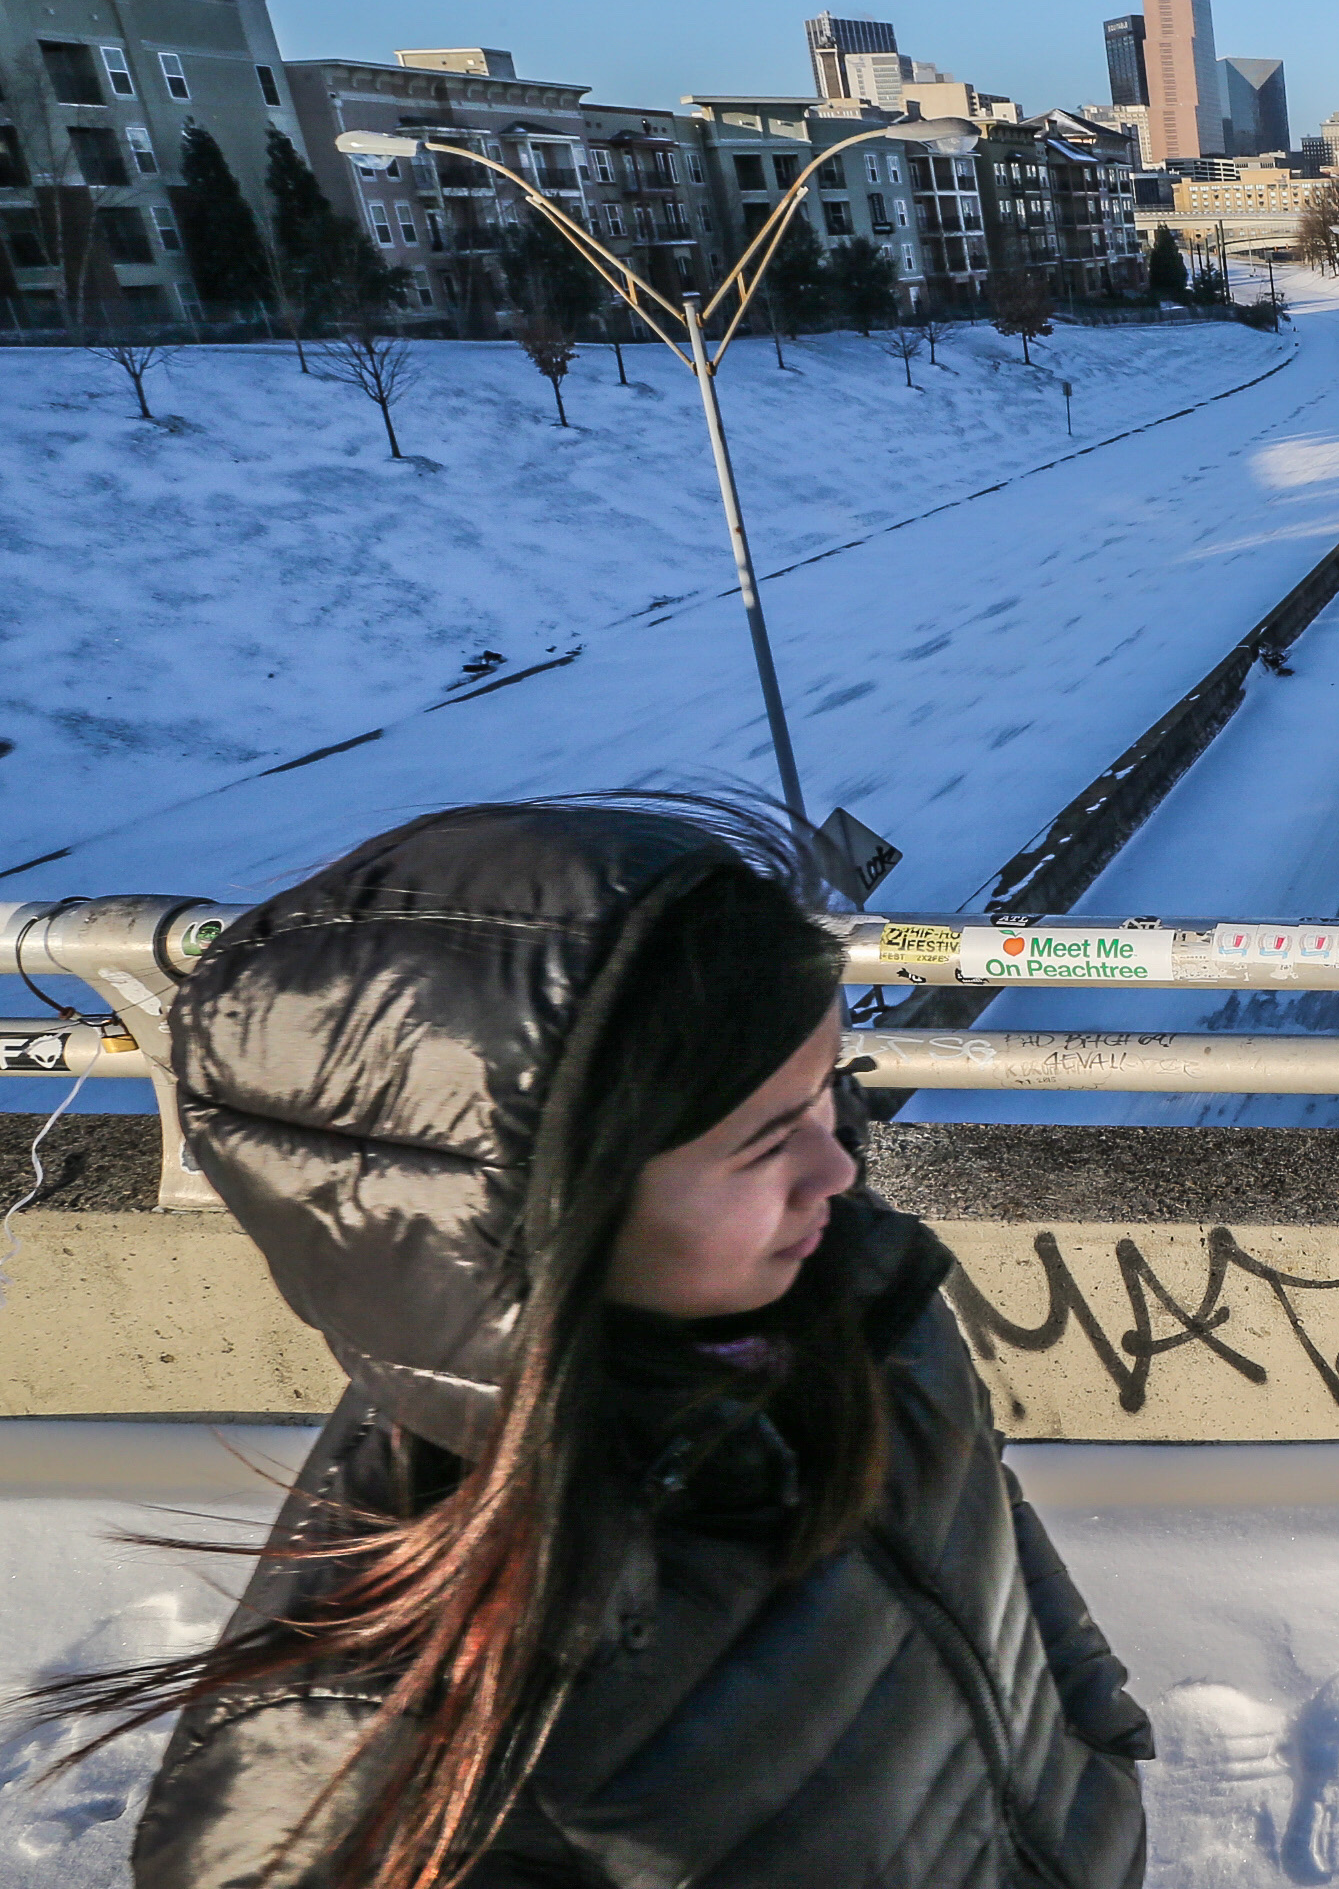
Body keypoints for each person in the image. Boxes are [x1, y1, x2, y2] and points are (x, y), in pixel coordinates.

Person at [25, 799, 1149, 1888]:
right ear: (551, 1212)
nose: (843, 1171)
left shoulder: (849, 1293)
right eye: (767, 1142)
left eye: (832, 1092)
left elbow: (983, 1531)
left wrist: (1095, 1729)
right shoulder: (365, 1781)